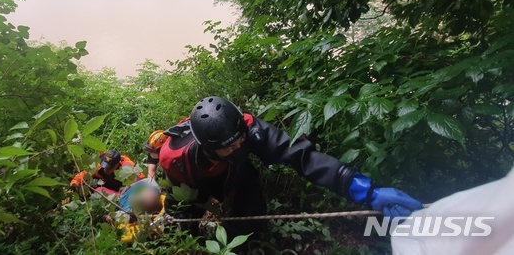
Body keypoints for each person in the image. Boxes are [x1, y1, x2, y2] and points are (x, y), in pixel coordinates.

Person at [159, 96, 423, 238]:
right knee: (181, 225)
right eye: (229, 147)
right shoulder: (176, 157)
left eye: (241, 141)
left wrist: (367, 191)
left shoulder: (250, 130)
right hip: (192, 182)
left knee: (252, 217)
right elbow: (180, 194)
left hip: (236, 174)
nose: (239, 147)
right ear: (208, 146)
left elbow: (304, 158)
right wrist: (206, 206)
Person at [110, 178, 167, 243]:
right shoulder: (152, 187)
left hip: (119, 200)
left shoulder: (127, 215)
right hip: (124, 192)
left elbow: (113, 218)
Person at [69, 150, 144, 196]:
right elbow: (82, 175)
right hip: (105, 184)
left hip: (122, 187)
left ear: (117, 164)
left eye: (110, 167)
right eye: (105, 166)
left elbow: (140, 179)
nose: (106, 170)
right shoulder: (98, 165)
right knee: (92, 184)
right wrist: (73, 185)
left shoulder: (127, 166)